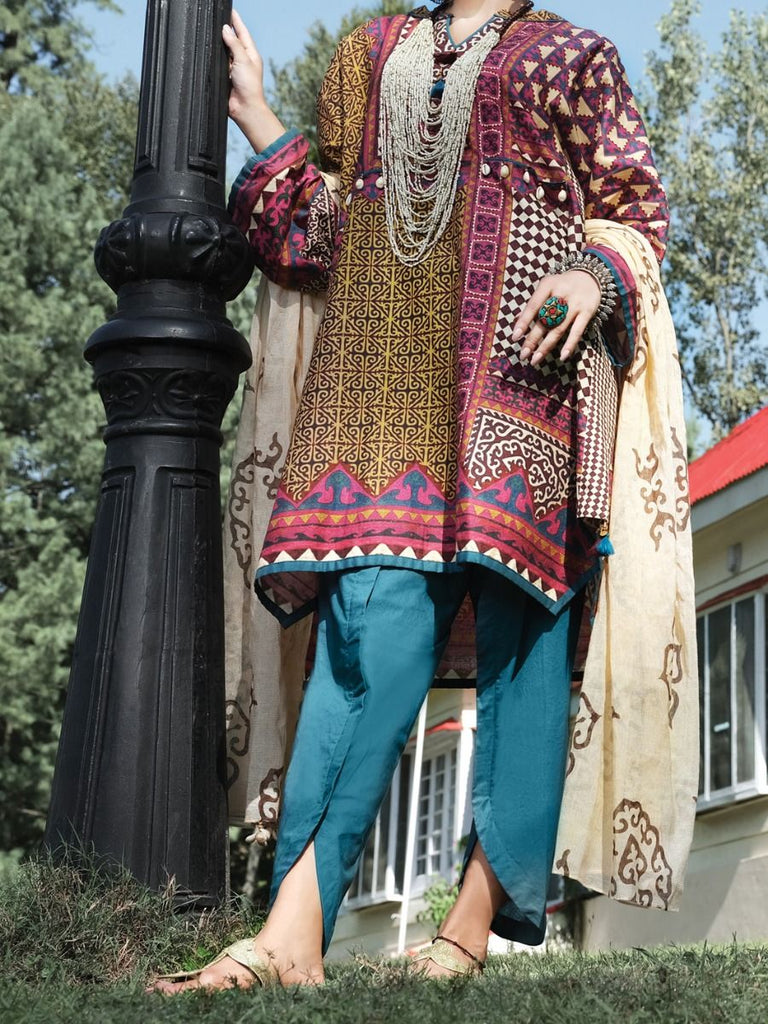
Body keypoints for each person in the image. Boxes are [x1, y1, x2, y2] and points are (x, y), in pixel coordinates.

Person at [153, 0, 696, 993]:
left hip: (526, 393)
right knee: (369, 640)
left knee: (526, 661)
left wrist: (593, 273)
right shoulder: (367, 54)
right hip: (376, 401)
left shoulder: (577, 57)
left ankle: (466, 933)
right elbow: (321, 237)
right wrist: (260, 120)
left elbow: (636, 211)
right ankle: (290, 937)